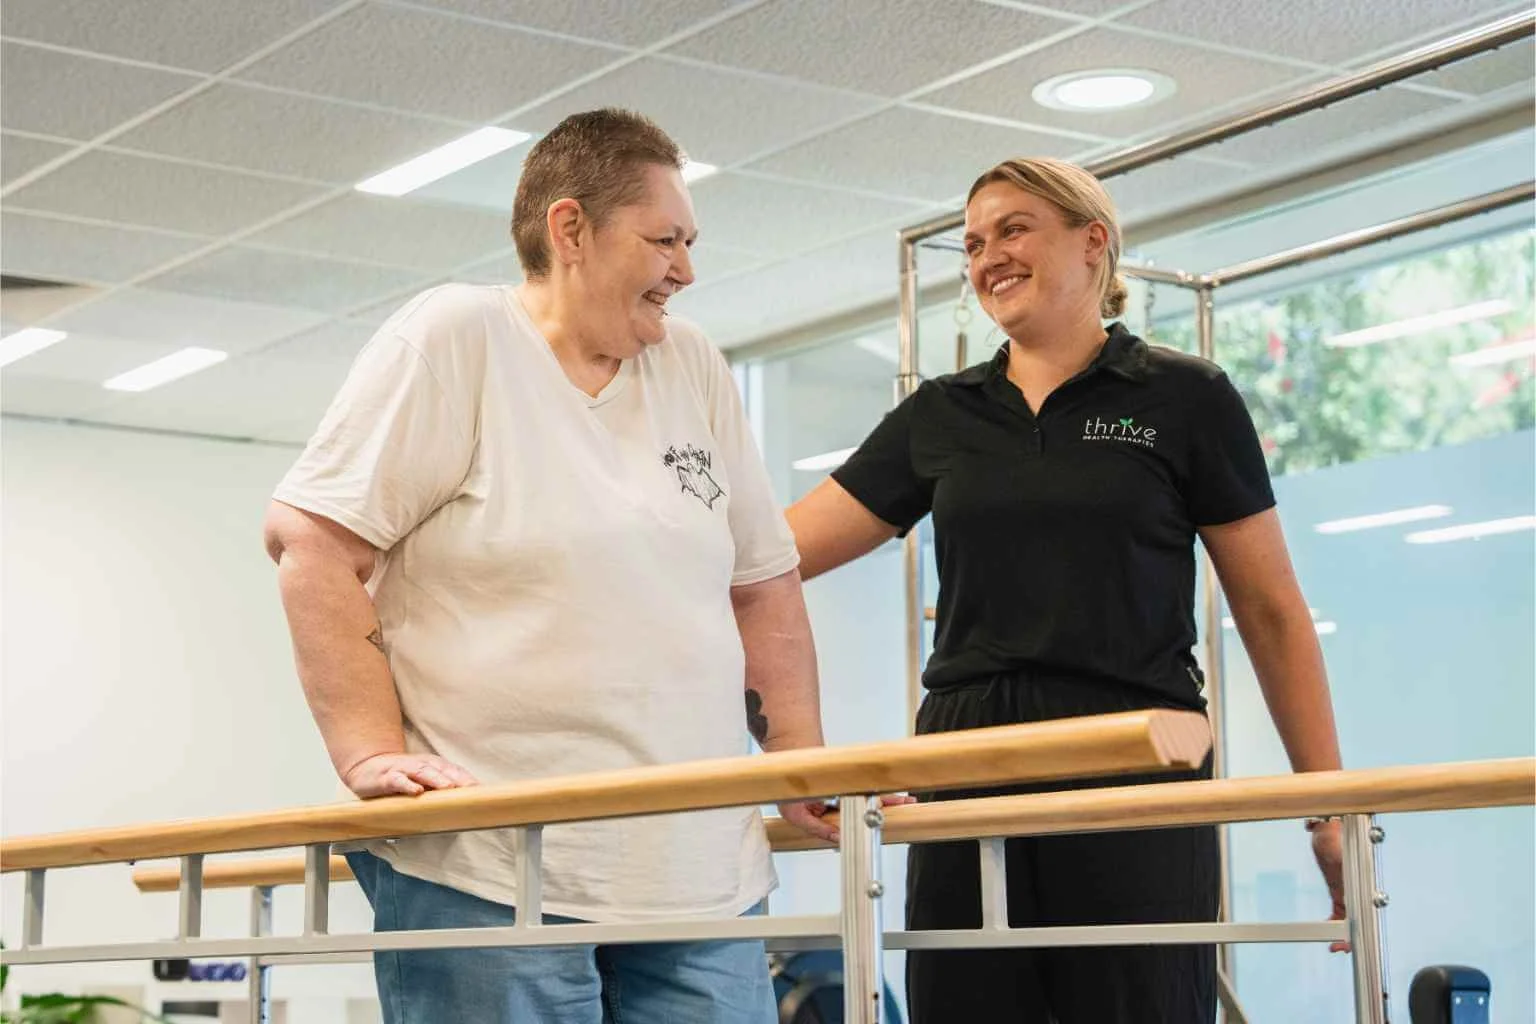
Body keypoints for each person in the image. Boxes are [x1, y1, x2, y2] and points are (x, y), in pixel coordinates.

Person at [262, 108, 834, 1024]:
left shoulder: (692, 366)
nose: (685, 269)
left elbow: (762, 586)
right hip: (489, 866)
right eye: (664, 240)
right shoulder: (460, 337)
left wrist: (801, 760)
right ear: (571, 229)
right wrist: (368, 751)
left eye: (690, 242)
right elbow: (311, 540)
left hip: (700, 875)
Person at [786, 157, 1346, 1024]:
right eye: (972, 243)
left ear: (1094, 243)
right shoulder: (942, 414)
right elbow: (771, 555)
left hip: (1131, 750)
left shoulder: (1183, 397)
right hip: (968, 756)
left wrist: (1327, 808)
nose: (987, 257)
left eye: (1013, 229)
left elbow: (1271, 613)